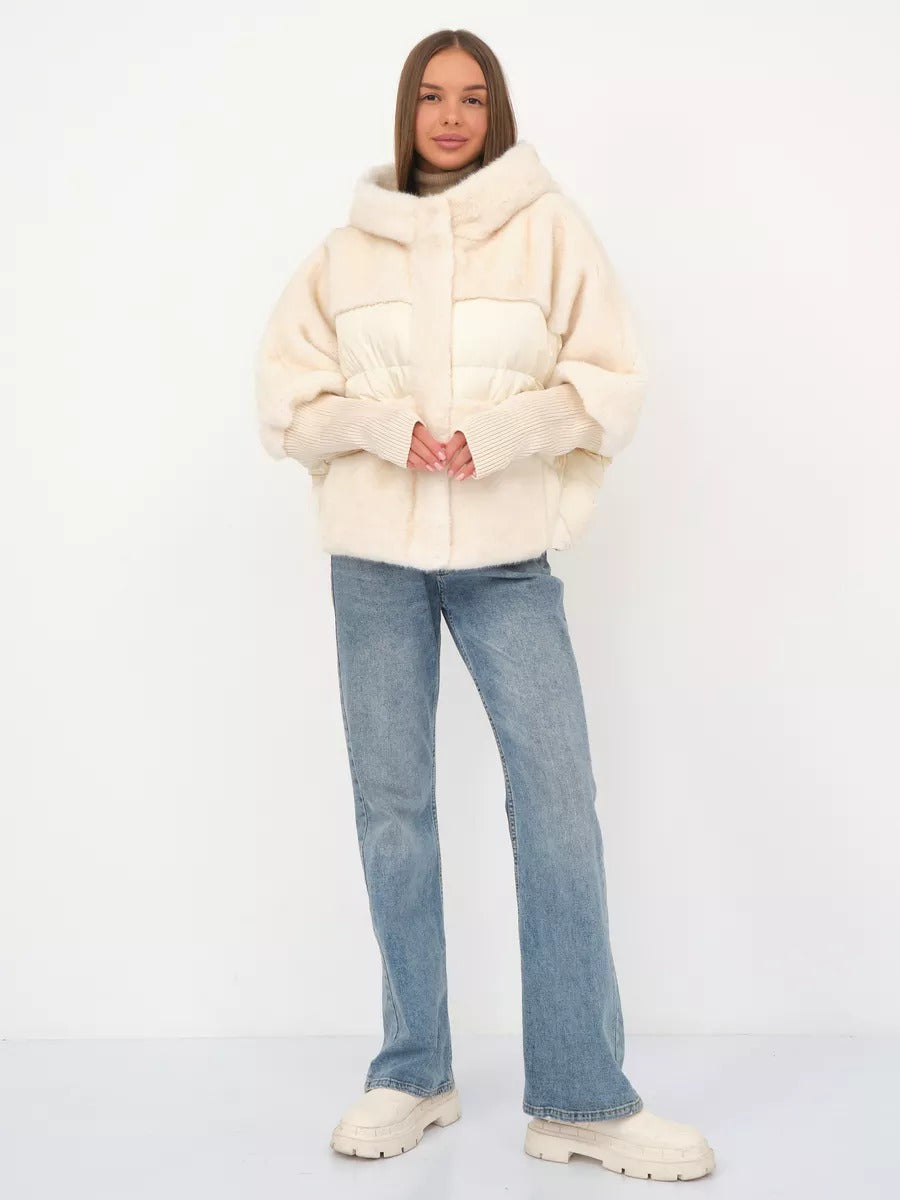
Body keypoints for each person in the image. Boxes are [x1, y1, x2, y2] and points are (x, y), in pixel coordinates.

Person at [255, 27, 715, 1183]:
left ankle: (580, 1097)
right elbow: (286, 403)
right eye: (431, 95)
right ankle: (413, 1071)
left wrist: (508, 431)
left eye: (471, 97)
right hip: (372, 559)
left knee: (558, 808)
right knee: (393, 811)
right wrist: (381, 427)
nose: (451, 115)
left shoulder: (550, 228)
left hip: (508, 559)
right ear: (406, 110)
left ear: (495, 111)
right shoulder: (344, 251)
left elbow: (611, 381)